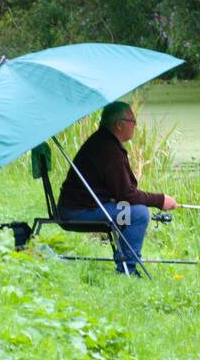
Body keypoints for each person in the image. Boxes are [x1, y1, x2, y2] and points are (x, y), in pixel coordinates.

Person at [57, 101, 178, 275]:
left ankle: (125, 262)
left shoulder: (104, 142)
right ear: (119, 125)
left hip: (80, 207)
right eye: (132, 120)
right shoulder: (108, 149)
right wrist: (161, 200)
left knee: (132, 211)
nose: (135, 125)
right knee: (138, 214)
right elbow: (127, 195)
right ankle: (127, 269)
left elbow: (121, 192)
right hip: (77, 212)